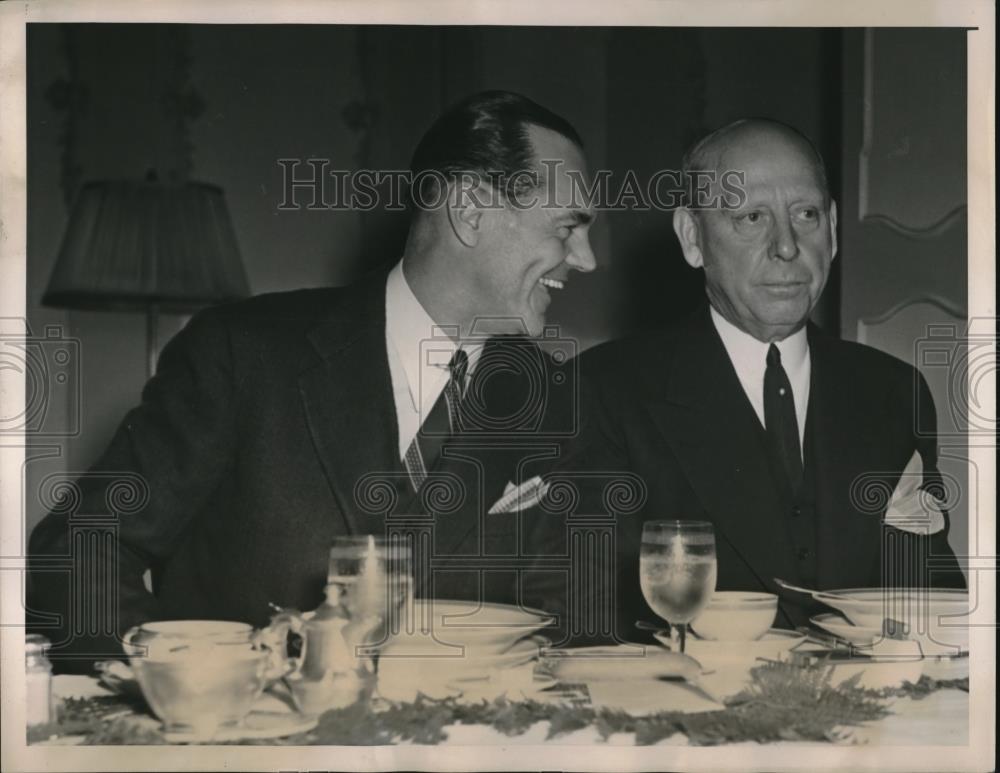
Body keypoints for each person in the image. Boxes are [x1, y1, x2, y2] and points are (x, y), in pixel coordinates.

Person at [27, 90, 597, 671]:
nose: (587, 259)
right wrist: (187, 677)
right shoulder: (241, 352)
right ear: (470, 211)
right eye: (567, 227)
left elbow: (566, 620)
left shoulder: (551, 401)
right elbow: (76, 553)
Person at [528, 119, 964, 645]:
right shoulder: (599, 390)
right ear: (693, 238)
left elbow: (934, 599)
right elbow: (579, 621)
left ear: (833, 227)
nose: (786, 246)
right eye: (751, 217)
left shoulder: (893, 390)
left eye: (805, 215)